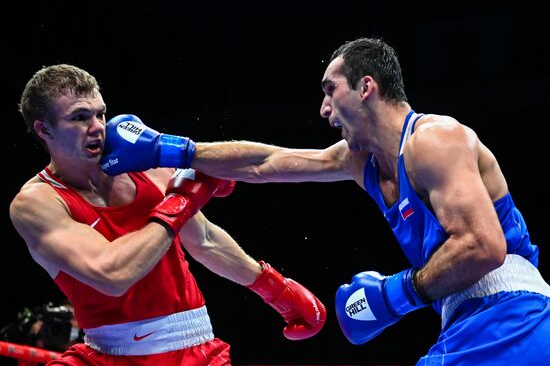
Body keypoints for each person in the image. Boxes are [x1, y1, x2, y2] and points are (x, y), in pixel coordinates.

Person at [100, 37, 550, 365]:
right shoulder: (364, 162)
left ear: (366, 87)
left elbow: (483, 247)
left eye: (330, 89)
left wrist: (396, 295)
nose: (323, 108)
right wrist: (171, 150)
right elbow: (267, 162)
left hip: (512, 315)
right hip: (469, 322)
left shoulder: (434, 140)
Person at [10, 64, 327, 366]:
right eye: (79, 117)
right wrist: (180, 203)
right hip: (104, 351)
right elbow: (112, 274)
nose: (96, 127)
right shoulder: (38, 202)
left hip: (191, 348)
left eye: (100, 114)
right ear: (44, 129)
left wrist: (275, 288)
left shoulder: (140, 161)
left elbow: (204, 239)